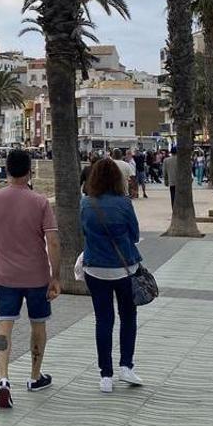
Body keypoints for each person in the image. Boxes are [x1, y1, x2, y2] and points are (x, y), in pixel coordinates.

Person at [0, 149, 61, 409]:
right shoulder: (40, 202)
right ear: (29, 171)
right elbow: (52, 241)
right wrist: (55, 276)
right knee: (38, 326)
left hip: (6, 276)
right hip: (36, 276)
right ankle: (35, 376)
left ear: (7, 169)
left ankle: (3, 378)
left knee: (4, 326)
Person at [79, 158, 144, 393]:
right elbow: (135, 235)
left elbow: (83, 231)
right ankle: (126, 365)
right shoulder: (124, 203)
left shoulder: (86, 204)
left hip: (95, 268)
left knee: (103, 319)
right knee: (128, 316)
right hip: (124, 268)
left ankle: (105, 375)